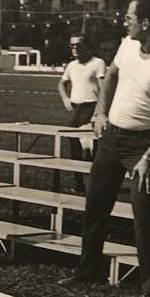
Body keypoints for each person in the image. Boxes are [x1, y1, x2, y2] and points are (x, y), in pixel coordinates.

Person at [59, 0, 150, 297]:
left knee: (143, 214)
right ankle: (88, 271)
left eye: (129, 18)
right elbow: (110, 77)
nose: (125, 22)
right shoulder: (127, 45)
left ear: (146, 22)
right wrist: (100, 113)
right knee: (95, 204)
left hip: (143, 145)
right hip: (112, 139)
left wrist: (149, 157)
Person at [57, 36, 107, 192]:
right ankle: (79, 183)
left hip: (91, 108)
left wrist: (99, 112)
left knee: (94, 149)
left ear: (86, 46)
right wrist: (66, 98)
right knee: (74, 147)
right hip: (76, 110)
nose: (75, 49)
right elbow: (61, 83)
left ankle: (96, 184)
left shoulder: (97, 63)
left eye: (78, 45)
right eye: (72, 46)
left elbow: (104, 90)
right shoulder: (72, 65)